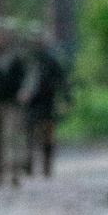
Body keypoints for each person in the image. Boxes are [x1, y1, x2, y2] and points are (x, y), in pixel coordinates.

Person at [18, 25, 70, 178]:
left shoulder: (51, 62)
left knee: (48, 138)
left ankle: (47, 167)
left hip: (47, 103)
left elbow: (62, 81)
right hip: (30, 105)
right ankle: (28, 166)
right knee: (29, 137)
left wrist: (66, 99)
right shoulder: (25, 61)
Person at [0, 19, 29, 186]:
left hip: (11, 104)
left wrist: (24, 92)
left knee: (10, 138)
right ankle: (0, 172)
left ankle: (13, 172)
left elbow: (26, 77)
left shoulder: (16, 56)